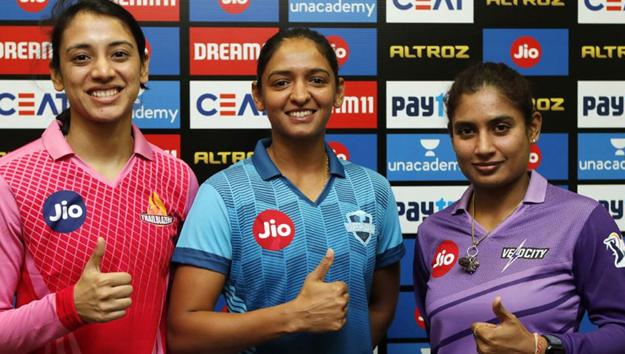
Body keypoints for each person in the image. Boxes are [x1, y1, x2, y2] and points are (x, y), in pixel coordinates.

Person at [168, 27, 404, 354]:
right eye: (281, 82)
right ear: (258, 95)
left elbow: (380, 307)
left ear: (339, 92)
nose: (300, 95)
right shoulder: (223, 194)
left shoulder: (373, 191)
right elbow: (184, 333)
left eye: (317, 80)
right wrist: (293, 317)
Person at [0, 1, 198, 353]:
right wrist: (69, 307)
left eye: (119, 54)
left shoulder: (178, 177)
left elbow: (190, 316)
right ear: (57, 75)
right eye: (81, 58)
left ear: (144, 68)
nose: (103, 71)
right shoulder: (13, 177)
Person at [413, 62, 625, 354]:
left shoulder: (581, 219)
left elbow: (624, 331)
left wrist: (542, 346)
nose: (483, 147)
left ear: (533, 127)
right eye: (466, 131)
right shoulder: (432, 231)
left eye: (500, 127)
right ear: (451, 137)